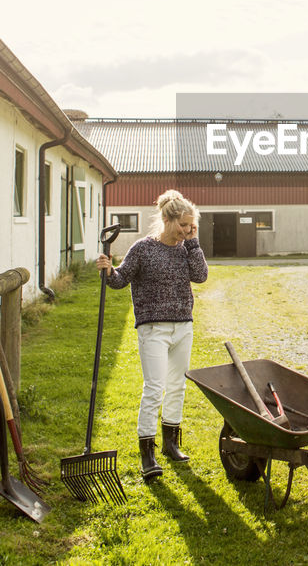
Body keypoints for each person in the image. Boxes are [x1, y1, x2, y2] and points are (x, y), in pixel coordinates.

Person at [96, 189, 208, 481]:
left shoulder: (187, 248)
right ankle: (147, 452)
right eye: (183, 225)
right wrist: (108, 271)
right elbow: (120, 280)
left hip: (183, 325)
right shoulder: (143, 249)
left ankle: (171, 443)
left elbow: (201, 275)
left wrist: (194, 242)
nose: (186, 230)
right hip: (153, 328)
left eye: (190, 226)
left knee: (178, 385)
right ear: (167, 220)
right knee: (154, 387)